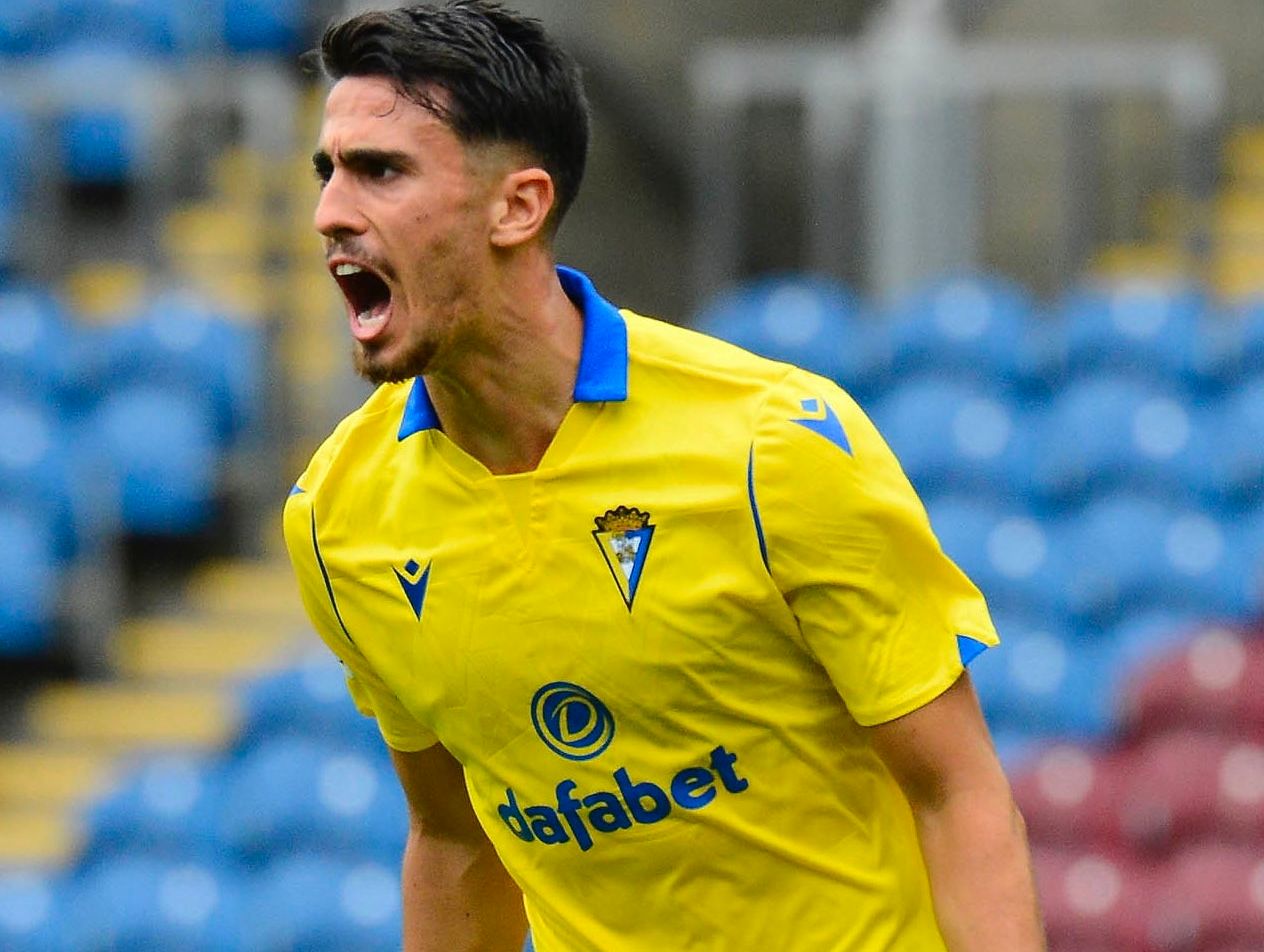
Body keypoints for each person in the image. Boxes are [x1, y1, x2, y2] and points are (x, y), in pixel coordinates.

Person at [282, 2, 1047, 950]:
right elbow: (451, 834)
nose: (329, 214)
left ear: (517, 206)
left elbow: (958, 790)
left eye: (380, 171)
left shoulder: (774, 446)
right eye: (328, 172)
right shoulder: (337, 516)